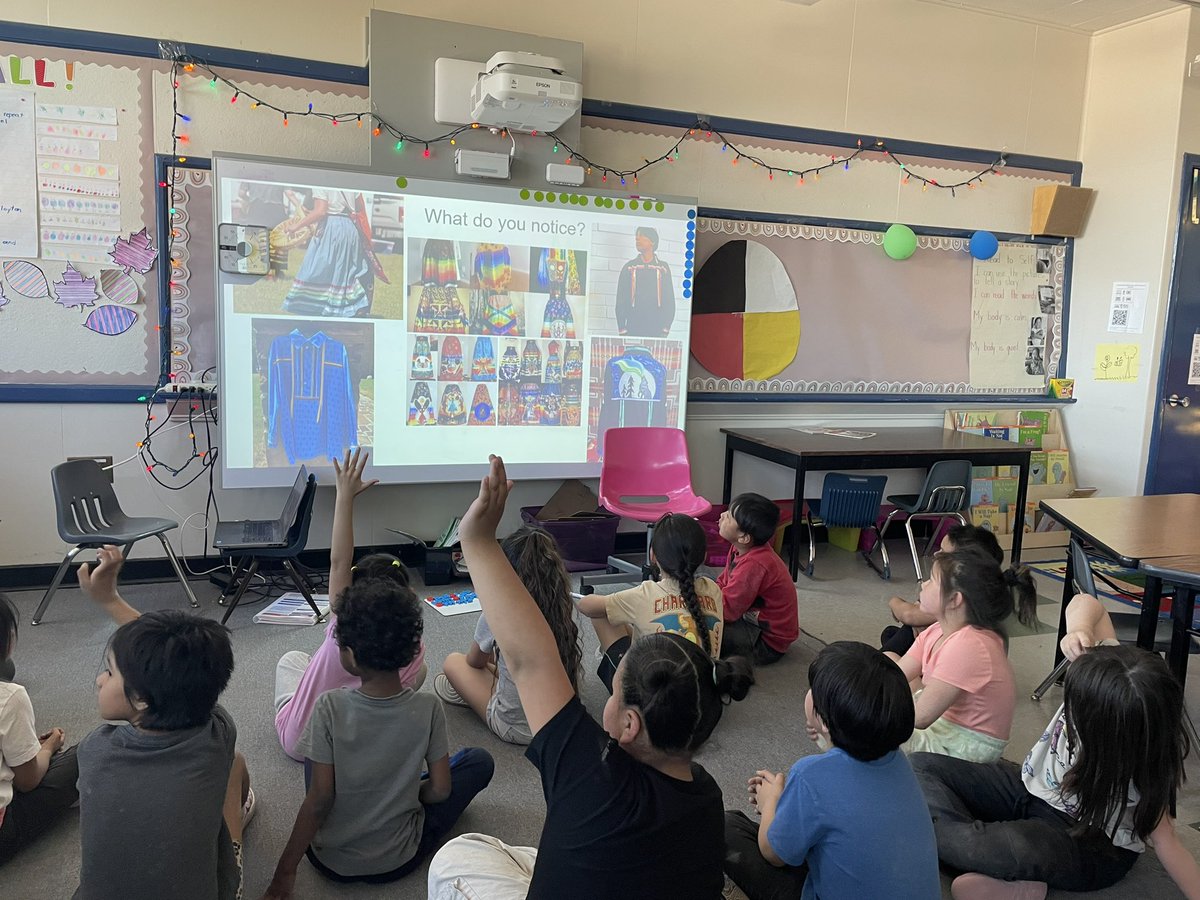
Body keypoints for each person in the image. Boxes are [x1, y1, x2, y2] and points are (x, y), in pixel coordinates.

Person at [427, 455, 754, 900]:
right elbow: (535, 660)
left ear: (629, 724)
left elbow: (529, 660)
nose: (609, 696)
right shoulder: (707, 796)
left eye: (615, 689)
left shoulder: (589, 776)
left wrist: (476, 539)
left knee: (459, 854)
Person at [912, 643, 1200, 900]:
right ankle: (980, 852)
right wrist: (1077, 633)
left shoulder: (1138, 769)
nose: (1067, 711)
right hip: (1030, 789)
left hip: (1083, 845)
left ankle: (1012, 876)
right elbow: (1085, 604)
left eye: (1076, 711)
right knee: (921, 766)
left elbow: (1168, 842)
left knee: (974, 845)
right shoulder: (1108, 672)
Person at [264, 577, 494, 895]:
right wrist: (405, 792)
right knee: (478, 761)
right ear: (412, 650)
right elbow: (441, 791)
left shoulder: (328, 707)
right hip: (399, 860)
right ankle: (395, 784)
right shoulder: (428, 707)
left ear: (351, 656)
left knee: (319, 749)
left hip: (328, 861)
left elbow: (320, 801)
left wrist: (284, 872)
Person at [75, 545, 252, 900]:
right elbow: (179, 673)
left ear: (141, 698)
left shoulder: (94, 750)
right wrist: (112, 602)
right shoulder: (218, 733)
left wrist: (109, 600)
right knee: (234, 764)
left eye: (109, 672)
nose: (99, 680)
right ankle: (233, 852)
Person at [723, 642, 940, 900]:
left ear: (824, 722)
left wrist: (771, 802)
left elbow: (773, 853)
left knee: (728, 826)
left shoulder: (810, 776)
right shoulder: (899, 760)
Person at [274, 449, 427, 761]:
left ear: (352, 594)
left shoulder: (341, 625)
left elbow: (339, 561)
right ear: (410, 595)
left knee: (291, 660)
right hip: (359, 745)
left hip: (301, 743)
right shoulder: (413, 645)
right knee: (419, 672)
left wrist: (344, 496)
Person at [436, 524, 583, 745]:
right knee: (504, 661)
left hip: (517, 727)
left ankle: (474, 695)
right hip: (560, 720)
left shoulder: (499, 609)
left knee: (453, 663)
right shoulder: (560, 602)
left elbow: (474, 662)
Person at [892, 546, 1037, 763]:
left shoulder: (970, 644)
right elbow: (895, 675)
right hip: (943, 727)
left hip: (963, 747)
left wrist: (865, 710)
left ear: (954, 600)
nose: (923, 584)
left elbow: (920, 718)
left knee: (865, 731)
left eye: (932, 580)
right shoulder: (938, 629)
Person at [577, 512, 723, 693]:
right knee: (634, 622)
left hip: (653, 705)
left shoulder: (645, 594)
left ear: (653, 555)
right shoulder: (714, 589)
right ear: (704, 556)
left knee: (602, 613)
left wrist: (607, 601)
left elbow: (586, 606)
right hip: (703, 700)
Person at [0, 592, 77, 867]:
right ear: (8, 641)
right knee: (87, 752)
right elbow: (27, 781)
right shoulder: (11, 696)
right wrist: (48, 747)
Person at [880, 524, 1005, 658]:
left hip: (942, 660)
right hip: (934, 648)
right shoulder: (976, 591)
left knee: (906, 632)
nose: (936, 554)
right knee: (892, 632)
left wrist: (894, 602)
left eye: (942, 552)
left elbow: (908, 615)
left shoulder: (959, 605)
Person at [716, 493, 798, 665]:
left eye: (730, 516)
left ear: (744, 537)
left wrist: (702, 605)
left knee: (707, 633)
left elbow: (728, 612)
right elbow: (724, 582)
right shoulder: (740, 547)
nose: (722, 514)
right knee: (703, 582)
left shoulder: (754, 564)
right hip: (748, 616)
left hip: (767, 642)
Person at [282, 188, 371, 317]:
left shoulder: (321, 182)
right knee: (343, 273)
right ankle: (339, 309)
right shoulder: (351, 180)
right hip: (350, 228)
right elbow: (358, 207)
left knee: (315, 269)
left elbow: (321, 212)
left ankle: (313, 307)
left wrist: (296, 227)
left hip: (332, 228)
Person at [614, 226, 675, 337]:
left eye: (642, 236)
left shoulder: (662, 268)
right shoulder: (629, 267)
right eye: (636, 237)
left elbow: (669, 298)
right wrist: (622, 328)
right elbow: (621, 299)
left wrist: (666, 327)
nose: (637, 239)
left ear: (652, 241)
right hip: (633, 326)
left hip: (657, 327)